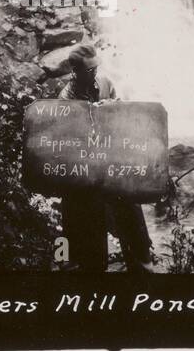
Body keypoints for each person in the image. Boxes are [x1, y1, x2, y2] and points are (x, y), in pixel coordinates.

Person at [57, 45, 156, 274]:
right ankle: (90, 265)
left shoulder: (105, 83)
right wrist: (90, 116)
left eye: (95, 68)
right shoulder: (66, 97)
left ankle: (141, 260)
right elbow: (68, 139)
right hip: (85, 166)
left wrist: (112, 107)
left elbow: (122, 116)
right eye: (88, 70)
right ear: (75, 71)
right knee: (89, 216)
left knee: (129, 205)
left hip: (110, 158)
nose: (93, 73)